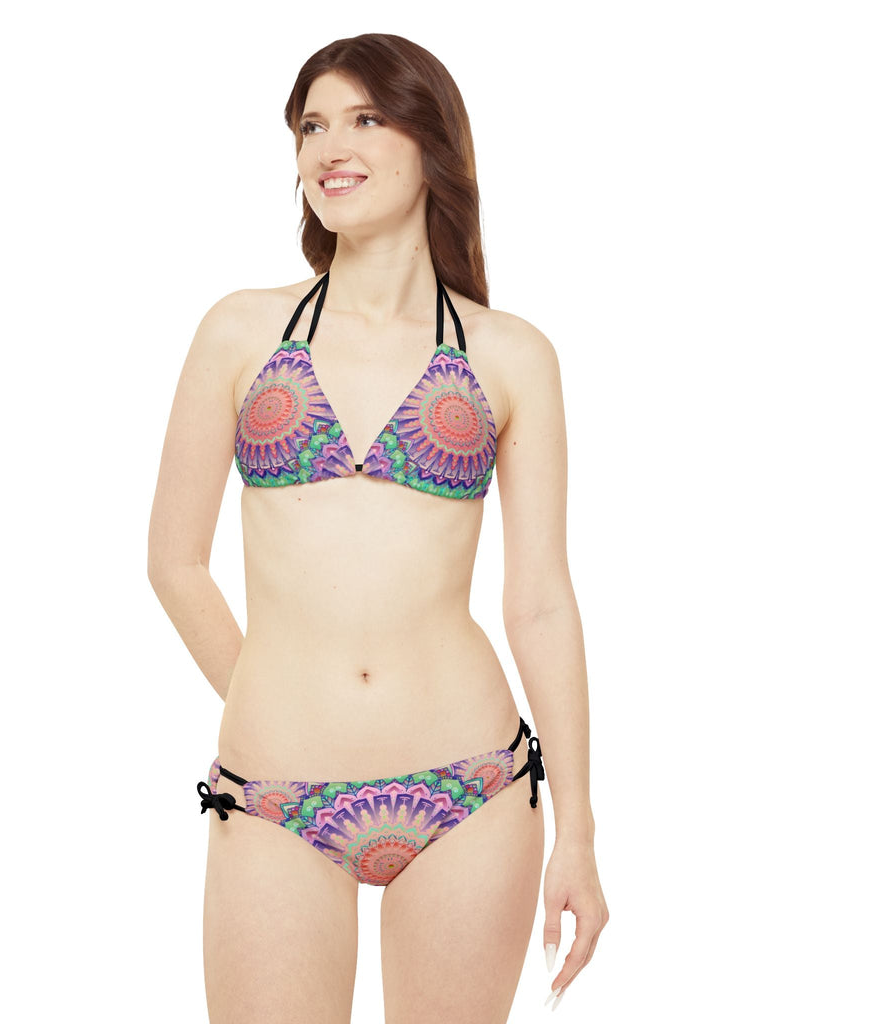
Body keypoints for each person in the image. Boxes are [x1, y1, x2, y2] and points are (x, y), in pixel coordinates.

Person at [147, 32, 608, 1023]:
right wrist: (272, 690)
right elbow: (174, 561)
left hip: (471, 792)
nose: (329, 147)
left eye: (364, 118)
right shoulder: (241, 331)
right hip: (275, 791)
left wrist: (576, 829)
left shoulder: (510, 355)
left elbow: (539, 600)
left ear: (431, 142)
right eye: (311, 126)